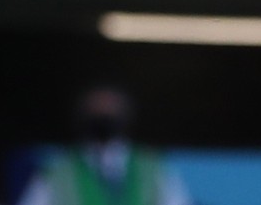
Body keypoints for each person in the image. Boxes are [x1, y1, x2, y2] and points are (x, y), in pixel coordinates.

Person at [17, 86, 191, 205]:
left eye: (110, 112)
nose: (104, 116)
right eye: (97, 111)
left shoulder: (153, 170)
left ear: (125, 117)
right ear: (82, 117)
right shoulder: (58, 172)